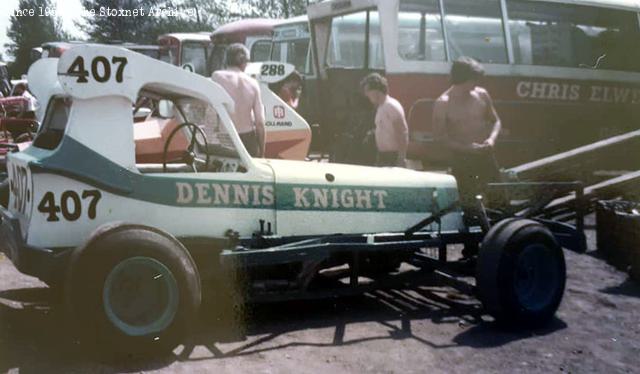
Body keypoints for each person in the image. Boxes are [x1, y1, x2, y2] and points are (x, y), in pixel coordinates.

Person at [433, 57, 503, 231]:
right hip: (462, 159)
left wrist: (491, 140)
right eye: (474, 80)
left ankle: (502, 240)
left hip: (485, 155)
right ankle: (470, 250)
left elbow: (496, 121)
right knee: (468, 206)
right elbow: (440, 137)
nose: (476, 84)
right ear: (462, 79)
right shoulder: (443, 103)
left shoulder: (482, 94)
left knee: (499, 199)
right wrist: (466, 148)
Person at [211, 43, 266, 157]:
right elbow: (260, 123)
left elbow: (210, 114)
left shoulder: (217, 77)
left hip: (226, 138)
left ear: (227, 59)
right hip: (248, 140)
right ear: (244, 62)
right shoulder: (253, 83)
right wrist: (262, 152)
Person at [361, 73, 408, 167]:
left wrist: (401, 158)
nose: (366, 95)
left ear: (376, 91)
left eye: (368, 91)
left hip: (393, 157)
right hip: (383, 156)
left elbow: (402, 132)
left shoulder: (390, 106)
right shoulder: (381, 107)